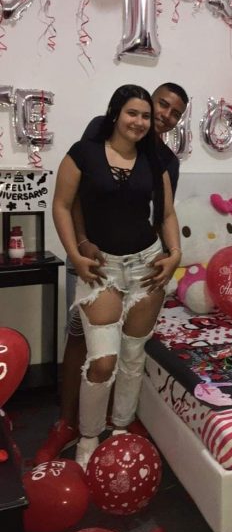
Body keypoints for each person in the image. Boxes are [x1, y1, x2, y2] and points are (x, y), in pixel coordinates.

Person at [45, 84, 184, 469]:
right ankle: (87, 434)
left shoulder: (158, 160)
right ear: (116, 113)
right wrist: (75, 251)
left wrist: (175, 255)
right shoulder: (85, 150)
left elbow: (167, 214)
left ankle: (120, 428)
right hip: (101, 268)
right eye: (134, 113)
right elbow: (62, 204)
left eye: (146, 116)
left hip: (146, 265)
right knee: (102, 361)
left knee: (132, 355)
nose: (142, 121)